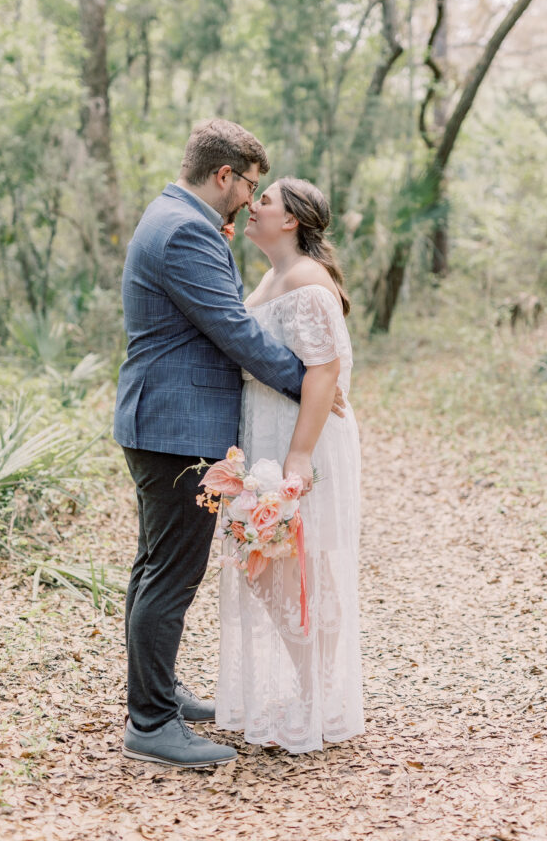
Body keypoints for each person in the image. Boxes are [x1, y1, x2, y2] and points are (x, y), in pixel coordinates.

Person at [114, 120, 343, 769]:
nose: (250, 199)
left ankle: (157, 694)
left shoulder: (170, 215)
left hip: (159, 423)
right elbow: (234, 331)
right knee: (170, 574)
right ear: (224, 175)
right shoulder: (185, 229)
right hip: (175, 428)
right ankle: (151, 723)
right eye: (249, 185)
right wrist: (313, 384)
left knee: (153, 566)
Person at [216, 177, 364, 754]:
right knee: (266, 565)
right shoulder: (270, 277)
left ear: (292, 220)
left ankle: (318, 690)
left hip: (300, 438)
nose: (254, 207)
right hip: (267, 435)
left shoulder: (307, 280)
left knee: (295, 567)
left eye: (266, 201)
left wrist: (298, 456)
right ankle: (314, 683)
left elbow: (323, 371)